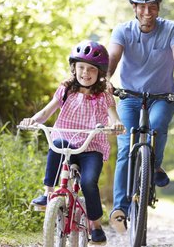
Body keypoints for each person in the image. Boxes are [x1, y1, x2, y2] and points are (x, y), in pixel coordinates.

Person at [107, 0, 174, 233]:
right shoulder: (122, 30)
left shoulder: (172, 29)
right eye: (142, 7)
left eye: (152, 7)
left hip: (162, 96)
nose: (147, 12)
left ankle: (153, 165)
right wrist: (106, 79)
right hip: (130, 96)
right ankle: (120, 209)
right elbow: (113, 56)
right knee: (125, 147)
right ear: (134, 8)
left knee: (157, 127)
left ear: (158, 8)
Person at [19, 40, 125, 244]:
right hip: (66, 140)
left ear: (100, 72)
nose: (85, 73)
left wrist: (117, 124)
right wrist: (33, 120)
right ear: (74, 68)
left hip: (91, 146)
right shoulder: (66, 89)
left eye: (91, 69)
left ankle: (95, 225)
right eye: (81, 68)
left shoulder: (104, 95)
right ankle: (49, 194)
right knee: (56, 144)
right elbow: (47, 111)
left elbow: (114, 116)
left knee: (88, 182)